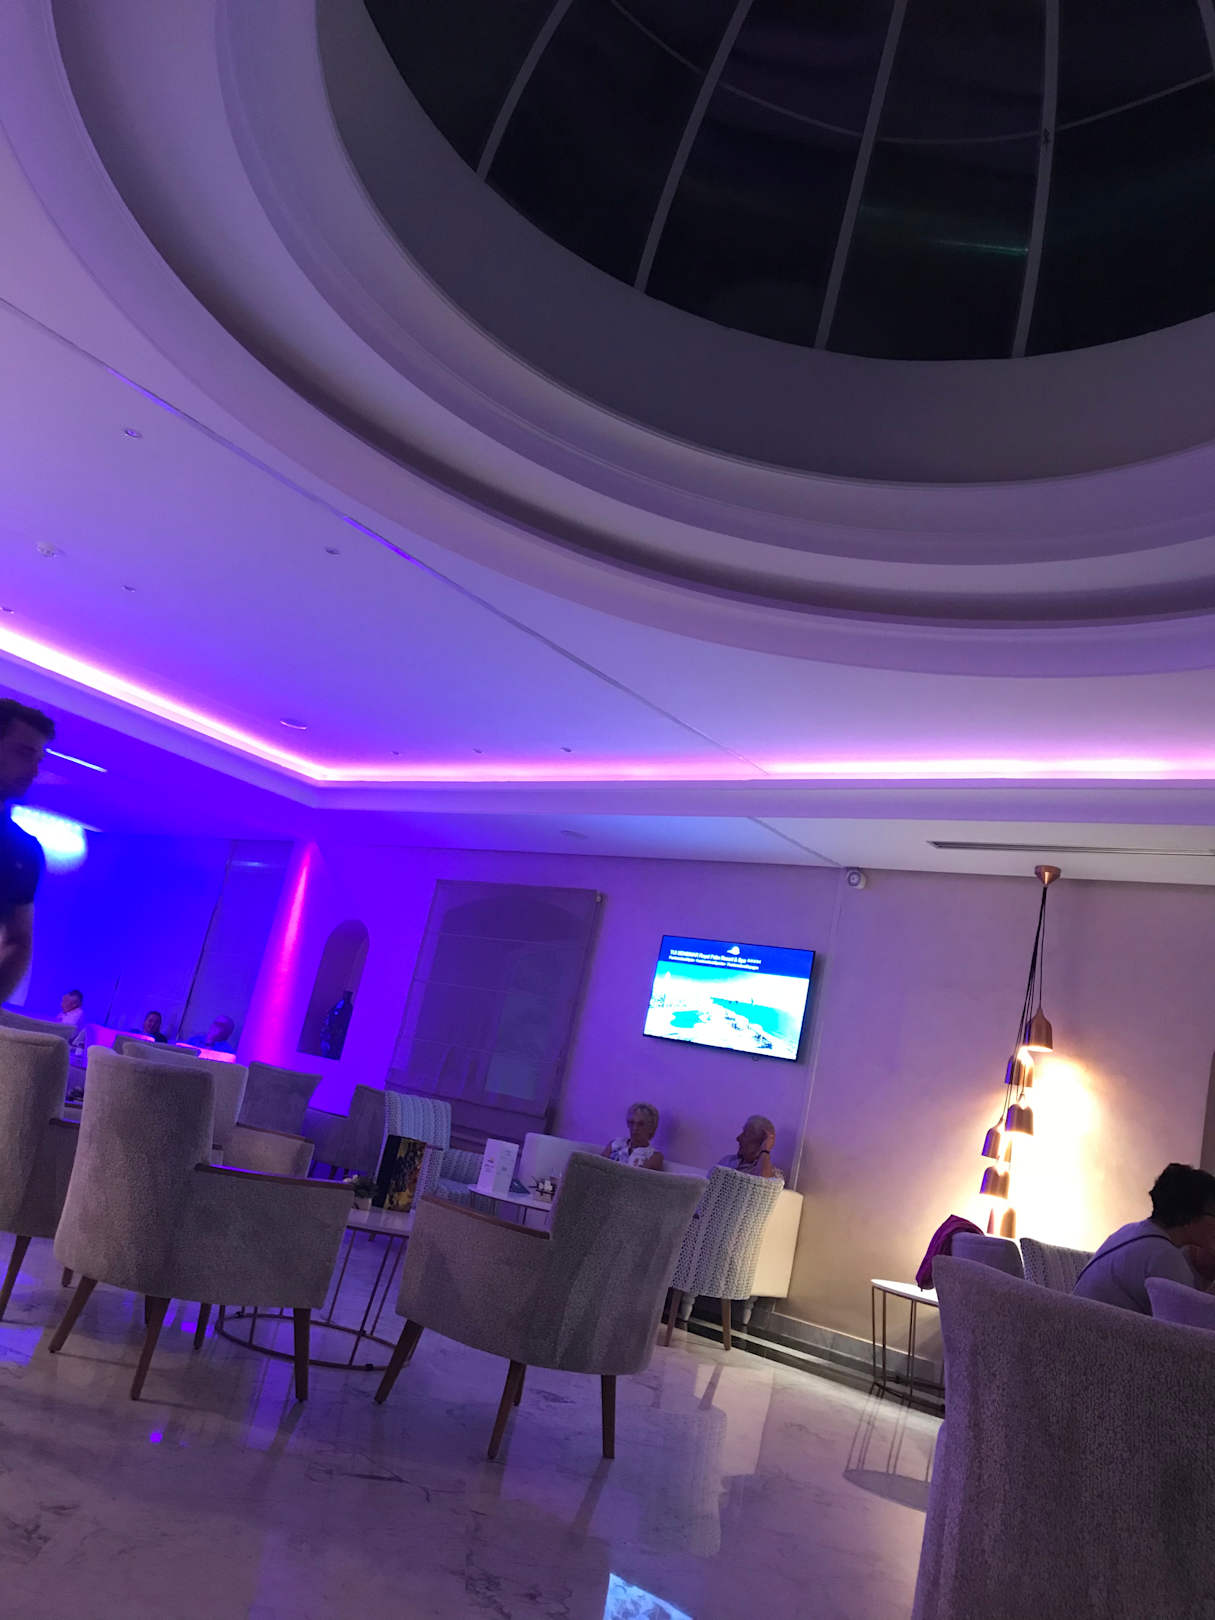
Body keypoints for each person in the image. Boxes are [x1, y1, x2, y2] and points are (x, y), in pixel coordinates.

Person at [1072, 1162, 1215, 1314]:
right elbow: (1185, 1326)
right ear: (1189, 1216)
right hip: (1094, 1327)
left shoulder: (1130, 1231)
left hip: (1075, 1321)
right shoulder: (1166, 1257)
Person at [0, 699, 55, 1004]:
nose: (34, 771)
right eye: (23, 753)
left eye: (38, 759)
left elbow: (18, 942)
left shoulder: (24, 851)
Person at [718, 1115, 783, 1180]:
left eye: (745, 1134)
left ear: (762, 1142)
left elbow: (763, 1182)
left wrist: (765, 1151)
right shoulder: (727, 1160)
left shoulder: (771, 1172)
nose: (738, 1138)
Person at [602, 1102, 664, 1170]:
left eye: (641, 1124)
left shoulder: (654, 1157)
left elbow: (637, 1175)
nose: (635, 1128)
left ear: (651, 1128)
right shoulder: (615, 1144)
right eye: (632, 1122)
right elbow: (598, 1167)